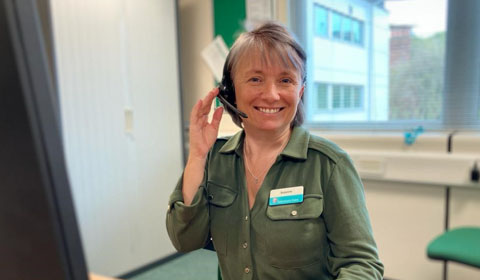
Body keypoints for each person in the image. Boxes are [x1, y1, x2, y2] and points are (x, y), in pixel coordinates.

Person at [166, 22, 384, 279]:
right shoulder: (214, 157)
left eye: (285, 80)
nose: (271, 95)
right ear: (230, 91)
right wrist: (197, 156)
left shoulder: (329, 164)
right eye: (256, 79)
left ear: (300, 91)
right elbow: (185, 240)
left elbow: (362, 264)